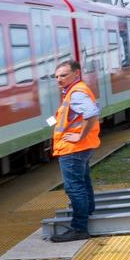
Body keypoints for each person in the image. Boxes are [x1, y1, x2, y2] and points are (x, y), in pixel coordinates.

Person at [50, 59, 101, 242]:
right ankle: (88, 211)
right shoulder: (72, 91)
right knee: (83, 182)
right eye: (56, 76)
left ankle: (79, 228)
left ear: (76, 73)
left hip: (73, 148)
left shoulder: (76, 92)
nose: (59, 79)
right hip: (80, 147)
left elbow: (91, 113)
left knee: (74, 187)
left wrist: (79, 136)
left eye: (63, 75)